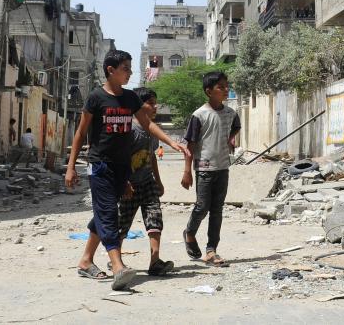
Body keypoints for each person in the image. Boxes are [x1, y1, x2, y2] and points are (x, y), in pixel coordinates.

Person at [64, 49, 189, 291]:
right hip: (100, 165)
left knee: (103, 213)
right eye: (126, 69)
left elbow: (148, 124)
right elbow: (80, 133)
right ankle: (118, 266)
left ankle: (85, 260)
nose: (130, 73)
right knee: (109, 213)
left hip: (123, 168)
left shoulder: (130, 98)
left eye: (131, 69)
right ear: (110, 70)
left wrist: (172, 143)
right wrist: (71, 167)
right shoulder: (96, 98)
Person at [182, 71, 239, 266]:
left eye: (226, 86)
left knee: (217, 210)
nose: (225, 90)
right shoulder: (199, 115)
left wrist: (232, 137)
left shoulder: (231, 113)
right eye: (220, 87)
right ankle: (189, 232)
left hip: (223, 167)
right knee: (202, 206)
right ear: (208, 91)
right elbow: (190, 144)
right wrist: (187, 171)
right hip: (204, 168)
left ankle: (211, 249)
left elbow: (236, 127)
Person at [116, 88, 173, 276]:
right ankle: (116, 262)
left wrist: (158, 180)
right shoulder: (130, 130)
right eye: (150, 103)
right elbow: (120, 157)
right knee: (122, 224)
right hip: (129, 185)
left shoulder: (151, 131)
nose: (155, 106)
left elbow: (152, 157)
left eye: (155, 102)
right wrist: (124, 182)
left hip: (148, 183)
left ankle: (155, 261)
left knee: (154, 218)